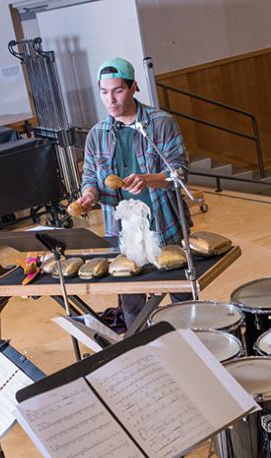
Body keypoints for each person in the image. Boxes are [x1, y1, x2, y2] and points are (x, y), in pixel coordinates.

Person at [75, 57, 191, 329]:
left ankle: (190, 347)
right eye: (104, 92)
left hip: (164, 223)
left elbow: (180, 173)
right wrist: (89, 195)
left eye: (117, 90)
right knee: (131, 301)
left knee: (181, 295)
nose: (110, 99)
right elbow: (90, 176)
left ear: (133, 87)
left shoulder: (161, 123)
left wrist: (149, 179)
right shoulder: (97, 134)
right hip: (123, 230)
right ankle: (142, 353)